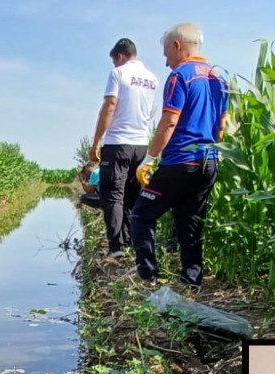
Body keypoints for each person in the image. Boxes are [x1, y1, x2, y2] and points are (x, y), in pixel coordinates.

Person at [129, 23, 228, 290]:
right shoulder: (220, 78)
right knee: (190, 223)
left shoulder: (180, 77)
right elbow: (222, 127)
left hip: (179, 162)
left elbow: (169, 121)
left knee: (141, 216)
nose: (166, 62)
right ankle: (191, 283)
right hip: (208, 163)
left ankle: (148, 278)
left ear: (177, 46)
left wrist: (150, 158)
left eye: (166, 54)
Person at [89, 39, 158, 259]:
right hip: (141, 144)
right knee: (133, 196)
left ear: (119, 57)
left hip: (118, 143)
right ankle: (131, 241)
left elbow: (110, 105)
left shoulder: (118, 74)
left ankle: (116, 247)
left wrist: (97, 141)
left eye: (114, 61)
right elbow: (151, 112)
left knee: (113, 196)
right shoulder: (152, 79)